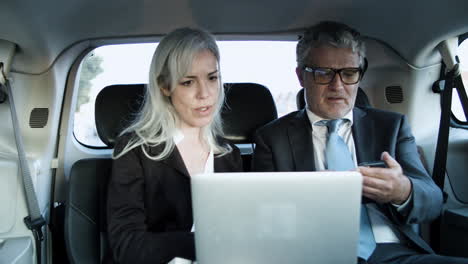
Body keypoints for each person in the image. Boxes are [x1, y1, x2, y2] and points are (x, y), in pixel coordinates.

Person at [252, 21, 468, 264]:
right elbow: (265, 217)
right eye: (323, 73)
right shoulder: (272, 137)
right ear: (302, 76)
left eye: (349, 73)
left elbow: (433, 201)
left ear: (359, 74)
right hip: (312, 253)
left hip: (394, 254)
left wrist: (402, 190)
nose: (337, 86)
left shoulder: (392, 126)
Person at [106, 28, 243, 264]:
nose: (205, 93)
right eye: (188, 82)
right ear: (165, 86)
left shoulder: (229, 154)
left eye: (212, 77)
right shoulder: (135, 150)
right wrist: (207, 243)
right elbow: (126, 244)